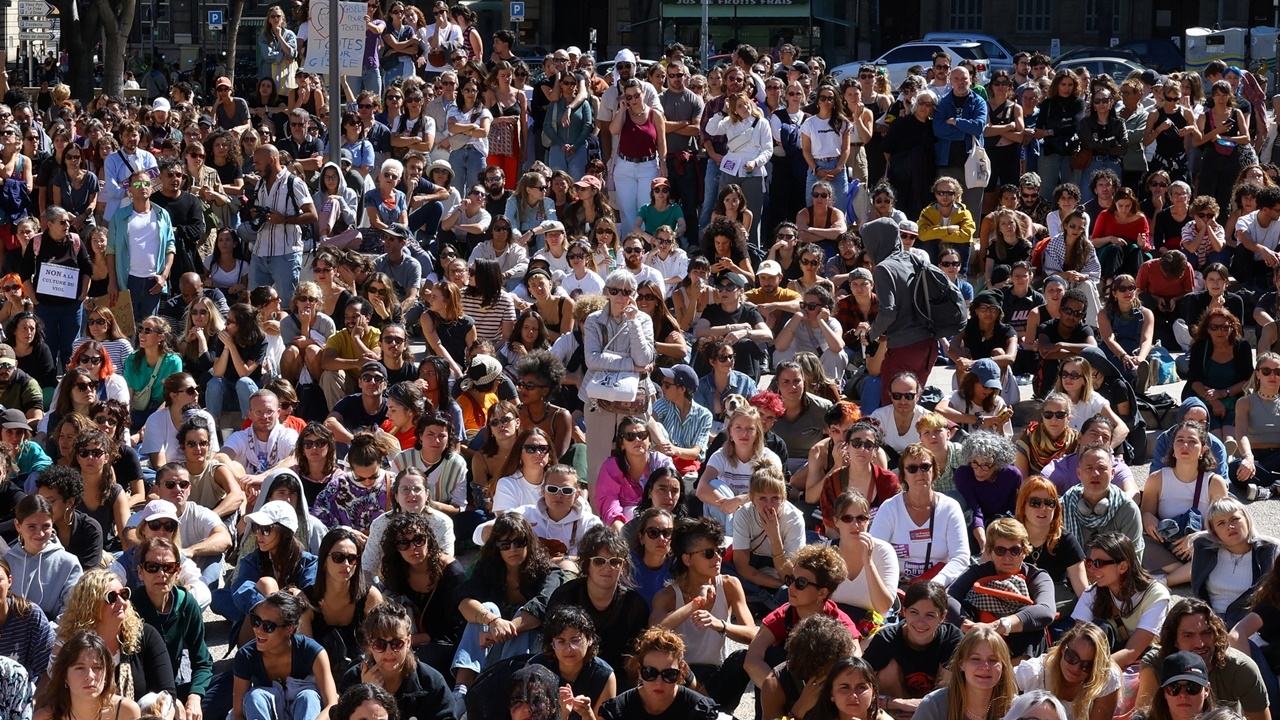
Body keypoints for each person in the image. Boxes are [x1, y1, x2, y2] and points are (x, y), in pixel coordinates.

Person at [451, 513, 564, 692]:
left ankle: (509, 687)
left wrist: (505, 629)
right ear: (498, 548)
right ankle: (461, 691)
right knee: (488, 609)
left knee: (523, 614)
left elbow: (543, 606)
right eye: (505, 544)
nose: (513, 549)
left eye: (519, 542)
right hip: (489, 645)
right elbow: (464, 601)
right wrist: (493, 622)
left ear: (529, 542)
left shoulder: (549, 571)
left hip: (529, 648)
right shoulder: (488, 569)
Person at [56, 569, 178, 704]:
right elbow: (58, 696)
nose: (121, 602)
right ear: (90, 605)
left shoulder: (145, 636)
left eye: (124, 594)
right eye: (111, 597)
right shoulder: (69, 645)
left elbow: (166, 695)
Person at [1136, 597, 1269, 720]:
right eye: (1188, 635)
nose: (1199, 644)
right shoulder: (1156, 664)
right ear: (1174, 640)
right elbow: (1146, 715)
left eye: (1206, 633)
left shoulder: (1240, 668)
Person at [945, 518, 1056, 659]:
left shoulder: (1036, 576)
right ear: (990, 552)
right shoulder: (976, 572)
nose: (1008, 557)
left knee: (1034, 624)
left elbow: (1047, 610)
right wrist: (967, 624)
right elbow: (948, 598)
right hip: (978, 638)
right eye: (1000, 550)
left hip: (1018, 645)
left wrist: (1001, 625)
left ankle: (1016, 674)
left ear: (1024, 551)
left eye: (1015, 550)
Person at [545, 526, 649, 676]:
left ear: (622, 566)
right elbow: (551, 647)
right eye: (599, 561)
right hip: (568, 676)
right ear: (587, 564)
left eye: (615, 562)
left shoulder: (634, 605)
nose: (607, 568)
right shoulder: (565, 597)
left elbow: (637, 657)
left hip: (618, 682)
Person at [129, 536, 213, 719]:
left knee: (229, 683)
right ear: (140, 572)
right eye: (152, 567)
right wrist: (165, 701)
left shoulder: (187, 604)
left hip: (173, 687)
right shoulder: (129, 607)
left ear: (178, 572)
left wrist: (195, 696)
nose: (162, 574)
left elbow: (202, 661)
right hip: (138, 696)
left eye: (168, 567)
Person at [863, 218, 945, 405]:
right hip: (928, 346)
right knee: (912, 406)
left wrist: (871, 334)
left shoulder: (884, 268)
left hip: (903, 348)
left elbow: (889, 312)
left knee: (894, 407)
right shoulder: (914, 259)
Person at [375, 513, 464, 678]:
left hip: (444, 645)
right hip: (402, 643)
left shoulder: (451, 573)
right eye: (403, 543)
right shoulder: (396, 572)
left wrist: (408, 641)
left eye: (418, 539)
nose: (413, 547)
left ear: (428, 539)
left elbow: (455, 628)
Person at [337, 601, 461, 720]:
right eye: (380, 644)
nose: (389, 651)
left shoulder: (431, 683)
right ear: (370, 646)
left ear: (408, 642)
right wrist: (365, 693)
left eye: (397, 643)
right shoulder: (353, 680)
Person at [1140, 420, 1228, 585]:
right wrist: (1148, 518)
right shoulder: (1157, 478)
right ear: (1173, 448)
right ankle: (1188, 572)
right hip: (1165, 544)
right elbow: (1146, 513)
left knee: (1219, 549)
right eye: (1180, 440)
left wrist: (1199, 537)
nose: (1185, 445)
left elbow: (1224, 523)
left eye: (1192, 441)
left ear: (1203, 450)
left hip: (1201, 545)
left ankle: (1166, 581)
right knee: (1134, 540)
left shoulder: (1214, 482)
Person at [232, 591, 339, 720]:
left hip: (306, 713)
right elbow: (238, 714)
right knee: (254, 697)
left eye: (268, 626)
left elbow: (332, 705)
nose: (258, 630)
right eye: (256, 621)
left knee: (308, 697)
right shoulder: (246, 656)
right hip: (265, 710)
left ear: (289, 629)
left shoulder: (313, 652)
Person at [863, 581, 962, 718]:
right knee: (887, 669)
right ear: (904, 611)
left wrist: (924, 708)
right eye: (914, 612)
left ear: (942, 617)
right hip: (894, 709)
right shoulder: (887, 639)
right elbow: (857, 685)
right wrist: (896, 704)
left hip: (937, 710)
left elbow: (963, 688)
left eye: (930, 615)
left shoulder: (952, 639)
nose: (920, 622)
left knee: (951, 673)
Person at [1071, 531, 1170, 667]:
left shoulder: (1156, 595)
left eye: (1098, 563)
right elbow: (1077, 641)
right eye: (1090, 563)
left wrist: (1092, 671)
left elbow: (1131, 652)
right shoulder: (1093, 592)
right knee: (1097, 629)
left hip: (1143, 665)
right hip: (1102, 662)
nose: (1092, 570)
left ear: (1123, 566)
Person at [301, 527, 384, 679]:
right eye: (338, 557)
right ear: (324, 561)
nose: (346, 564)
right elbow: (306, 654)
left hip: (363, 675)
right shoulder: (306, 600)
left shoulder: (370, 597)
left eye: (352, 558)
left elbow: (381, 646)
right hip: (318, 677)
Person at [594, 627, 718, 720]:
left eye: (669, 674)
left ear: (681, 672)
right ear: (639, 671)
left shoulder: (697, 709)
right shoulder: (619, 709)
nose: (659, 682)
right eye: (650, 673)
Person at [908, 626, 1017, 720]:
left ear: (1003, 666)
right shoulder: (934, 705)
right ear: (961, 664)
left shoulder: (1018, 708)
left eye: (993, 660)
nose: (985, 667)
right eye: (976, 659)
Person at [32, 630, 141, 720]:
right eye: (80, 668)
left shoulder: (127, 712)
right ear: (64, 676)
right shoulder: (45, 717)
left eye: (97, 668)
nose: (90, 676)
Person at [1015, 393, 1079, 478]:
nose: (1054, 420)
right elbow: (1022, 480)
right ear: (1042, 416)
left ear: (1068, 418)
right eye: (1048, 415)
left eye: (1060, 415)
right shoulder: (1028, 437)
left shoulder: (1076, 441)